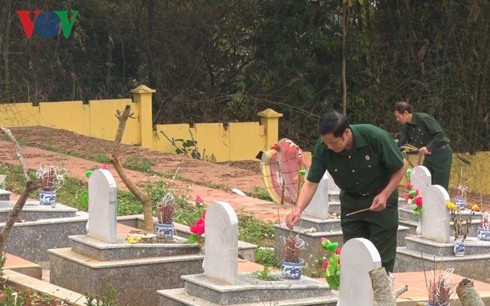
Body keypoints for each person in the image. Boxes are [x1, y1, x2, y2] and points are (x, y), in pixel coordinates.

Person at [286, 110, 408, 273]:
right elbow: (311, 182)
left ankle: (381, 297)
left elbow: (401, 167)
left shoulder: (374, 137)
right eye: (326, 142)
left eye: (333, 142)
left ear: (346, 132)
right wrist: (298, 209)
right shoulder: (324, 147)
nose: (329, 147)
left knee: (381, 259)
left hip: (381, 201)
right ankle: (356, 296)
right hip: (352, 204)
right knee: (353, 254)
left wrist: (385, 194)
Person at [393, 101, 452, 190]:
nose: (397, 119)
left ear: (405, 113)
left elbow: (440, 135)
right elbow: (402, 143)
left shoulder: (424, 118)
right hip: (429, 156)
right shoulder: (406, 126)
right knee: (425, 182)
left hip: (441, 154)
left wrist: (428, 147)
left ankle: (440, 204)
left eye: (398, 116)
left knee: (439, 187)